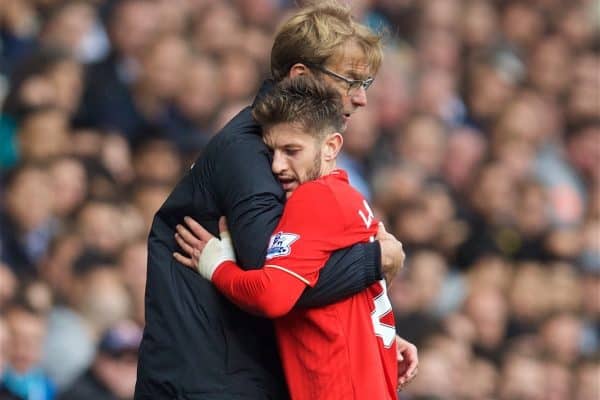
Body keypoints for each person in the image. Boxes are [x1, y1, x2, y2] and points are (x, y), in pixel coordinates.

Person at [135, 2, 416, 399]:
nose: (360, 99)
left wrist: (372, 332)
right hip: (205, 379)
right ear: (300, 76)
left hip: (235, 371)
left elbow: (302, 266)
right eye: (350, 81)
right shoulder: (250, 154)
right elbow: (275, 282)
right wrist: (375, 260)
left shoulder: (284, 157)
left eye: (365, 85)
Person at [181, 76, 400, 399]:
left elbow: (272, 296)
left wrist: (218, 267)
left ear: (331, 147)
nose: (277, 165)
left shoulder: (315, 198)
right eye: (272, 152)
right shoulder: (350, 200)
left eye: (291, 150)